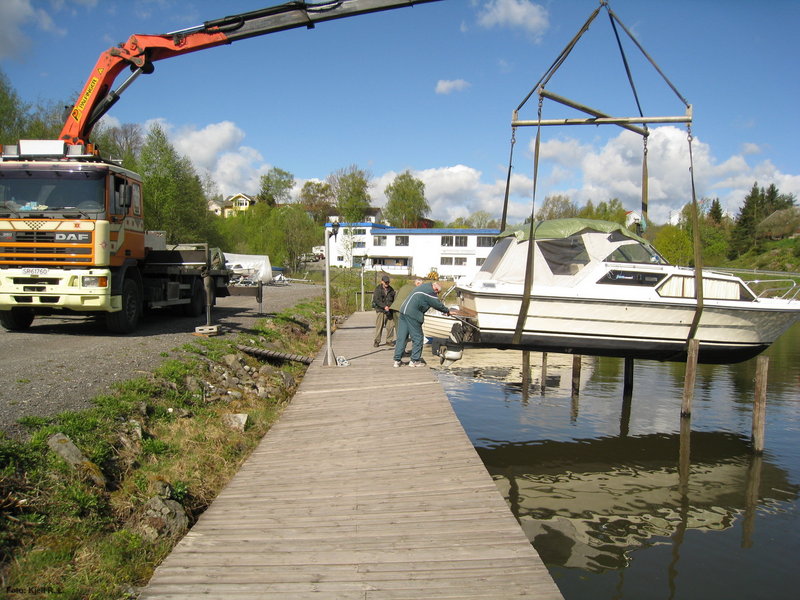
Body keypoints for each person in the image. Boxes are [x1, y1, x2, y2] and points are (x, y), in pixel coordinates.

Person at [392, 281, 450, 368]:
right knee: (418, 338)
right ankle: (414, 361)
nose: (437, 294)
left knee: (402, 337)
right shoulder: (430, 292)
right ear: (435, 289)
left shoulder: (423, 287)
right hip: (412, 314)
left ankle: (397, 361)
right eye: (438, 293)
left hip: (403, 311)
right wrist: (447, 311)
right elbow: (437, 304)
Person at [371, 275, 395, 347]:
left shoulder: (391, 289)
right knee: (379, 327)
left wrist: (391, 307)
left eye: (388, 282)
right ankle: (377, 341)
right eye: (385, 282)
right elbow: (376, 300)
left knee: (390, 327)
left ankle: (389, 341)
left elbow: (394, 299)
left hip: (389, 311)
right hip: (380, 310)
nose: (387, 283)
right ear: (382, 282)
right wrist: (384, 306)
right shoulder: (378, 289)